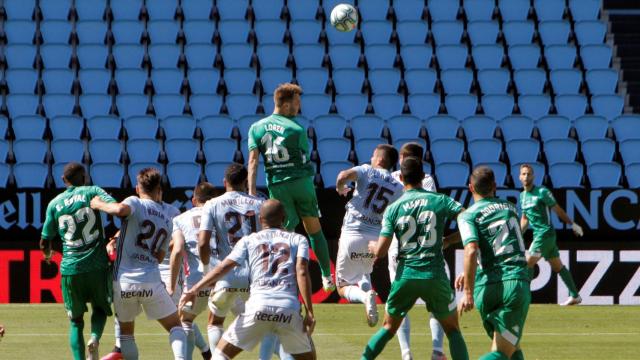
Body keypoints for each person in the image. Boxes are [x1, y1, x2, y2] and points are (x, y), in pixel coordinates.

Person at [181, 199, 317, 360]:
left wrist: (194, 289)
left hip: (257, 307)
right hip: (288, 308)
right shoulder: (298, 239)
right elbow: (302, 272)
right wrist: (309, 311)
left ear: (260, 220)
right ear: (284, 217)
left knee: (220, 354)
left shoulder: (249, 240)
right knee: (309, 357)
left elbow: (223, 267)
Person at [362, 157, 469, 360]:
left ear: (401, 178)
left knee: (388, 328)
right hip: (434, 275)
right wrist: (450, 240)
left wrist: (374, 246)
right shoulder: (440, 200)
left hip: (406, 275)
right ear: (423, 176)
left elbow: (381, 252)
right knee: (453, 330)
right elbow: (467, 219)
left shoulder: (393, 208)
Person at [90, 167, 186, 360]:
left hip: (124, 281)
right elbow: (159, 257)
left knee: (126, 334)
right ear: (158, 188)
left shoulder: (135, 202)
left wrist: (98, 203)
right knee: (176, 327)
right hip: (151, 280)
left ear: (137, 188)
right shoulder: (169, 217)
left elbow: (119, 210)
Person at [247, 82, 334, 292]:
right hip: (301, 183)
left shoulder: (256, 128)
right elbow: (303, 159)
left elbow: (252, 161)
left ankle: (282, 280)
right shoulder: (297, 128)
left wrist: (251, 192)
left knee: (284, 232)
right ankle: (326, 276)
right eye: (296, 103)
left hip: (277, 185)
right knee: (313, 228)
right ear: (285, 106)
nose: (299, 107)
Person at [40, 162, 115, 360]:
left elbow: (45, 240)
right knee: (99, 309)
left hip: (71, 268)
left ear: (64, 180)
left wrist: (47, 255)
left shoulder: (54, 204)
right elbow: (114, 206)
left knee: (75, 321)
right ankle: (95, 337)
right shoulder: (92, 191)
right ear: (84, 178)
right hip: (98, 265)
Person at [457, 166, 530, 360]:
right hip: (512, 285)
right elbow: (477, 249)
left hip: (486, 288)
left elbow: (474, 248)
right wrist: (467, 293)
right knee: (501, 352)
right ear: (495, 187)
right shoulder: (511, 208)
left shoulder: (467, 215)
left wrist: (469, 285)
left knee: (512, 346)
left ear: (470, 188)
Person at [389, 142, 448, 360]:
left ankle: (406, 354)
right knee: (438, 302)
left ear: (403, 158)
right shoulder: (428, 180)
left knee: (398, 305)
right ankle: (437, 351)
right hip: (427, 248)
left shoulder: (390, 178)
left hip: (398, 246)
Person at [334, 144, 403, 327]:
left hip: (353, 233)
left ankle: (365, 296)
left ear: (379, 160)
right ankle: (369, 297)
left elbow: (342, 176)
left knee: (342, 286)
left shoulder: (366, 170)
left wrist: (341, 187)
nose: (370, 159)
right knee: (364, 272)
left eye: (373, 156)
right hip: (375, 240)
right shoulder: (398, 187)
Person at [197, 164, 263, 352]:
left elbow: (203, 243)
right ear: (245, 182)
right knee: (266, 323)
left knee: (215, 321)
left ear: (224, 182)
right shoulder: (258, 204)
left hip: (225, 273)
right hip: (253, 274)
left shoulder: (211, 204)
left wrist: (207, 270)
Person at [518, 164, 584, 305]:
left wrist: (572, 224)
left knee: (527, 263)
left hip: (545, 233)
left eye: (529, 174)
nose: (526, 176)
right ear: (519, 177)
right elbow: (524, 218)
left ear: (533, 176)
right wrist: (518, 233)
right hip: (541, 236)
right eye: (523, 174)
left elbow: (557, 209)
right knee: (557, 266)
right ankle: (575, 295)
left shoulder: (542, 192)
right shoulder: (522, 196)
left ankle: (523, 299)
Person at [169, 182, 218, 360]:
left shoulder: (181, 219)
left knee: (185, 321)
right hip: (224, 278)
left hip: (197, 281)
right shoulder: (220, 213)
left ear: (193, 199)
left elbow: (177, 250)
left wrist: (171, 285)